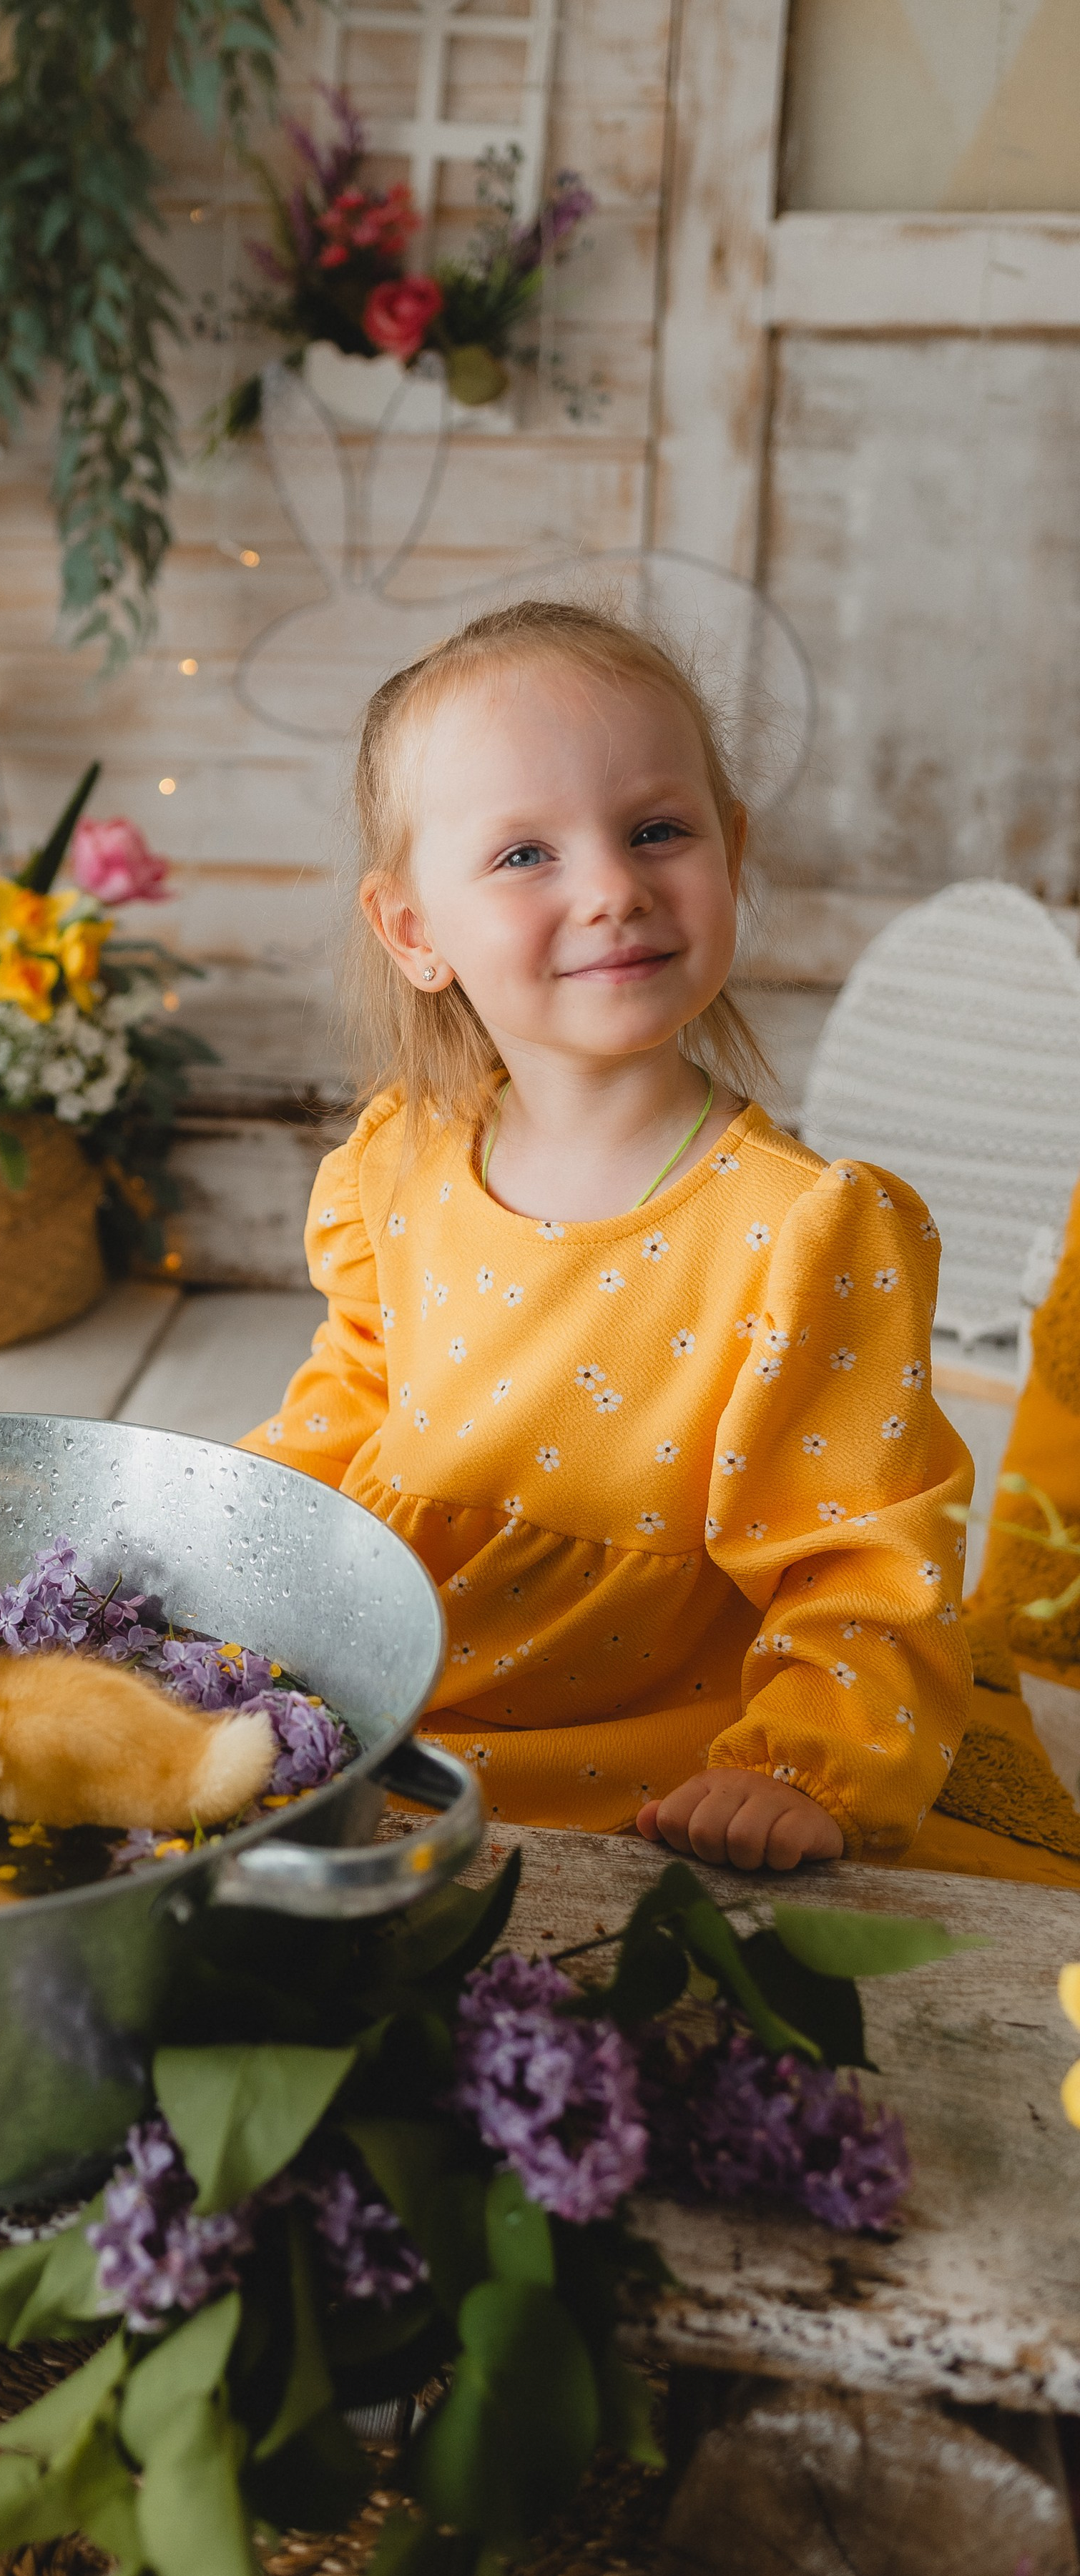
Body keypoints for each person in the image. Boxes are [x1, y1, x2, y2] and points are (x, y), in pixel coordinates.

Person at [241, 598, 998, 1876]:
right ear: (415, 931)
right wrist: (234, 1554)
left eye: (657, 831)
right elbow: (355, 1399)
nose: (612, 890)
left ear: (730, 852)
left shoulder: (802, 1231)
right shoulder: (402, 1158)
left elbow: (861, 1558)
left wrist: (797, 1767)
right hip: (381, 1689)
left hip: (645, 1760)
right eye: (524, 854)